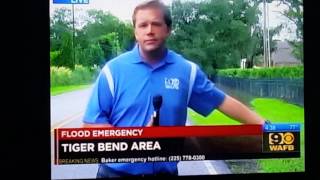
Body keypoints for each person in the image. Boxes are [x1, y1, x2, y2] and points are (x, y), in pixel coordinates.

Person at [83, 0, 265, 178]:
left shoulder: (187, 71)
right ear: (135, 32)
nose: (149, 31)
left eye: (156, 24)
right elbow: (90, 125)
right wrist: (136, 140)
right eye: (143, 25)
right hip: (116, 173)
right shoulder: (113, 71)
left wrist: (267, 127)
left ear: (168, 29)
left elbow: (222, 101)